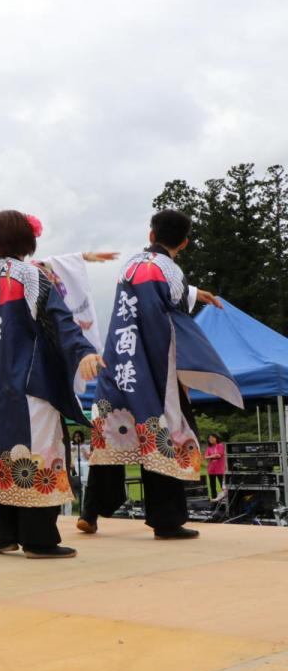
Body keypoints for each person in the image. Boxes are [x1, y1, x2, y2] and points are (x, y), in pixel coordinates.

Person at [80, 210, 241, 539]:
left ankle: (91, 511)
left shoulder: (129, 265)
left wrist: (195, 292)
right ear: (184, 243)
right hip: (152, 366)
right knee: (163, 433)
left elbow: (149, 290)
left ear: (151, 235)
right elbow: (170, 306)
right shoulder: (172, 271)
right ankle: (165, 520)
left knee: (110, 433)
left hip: (119, 362)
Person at [0, 211, 103, 559]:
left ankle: (3, 533)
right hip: (31, 380)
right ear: (27, 240)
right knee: (39, 451)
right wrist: (83, 351)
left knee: (6, 451)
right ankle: (38, 538)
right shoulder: (32, 275)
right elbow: (59, 318)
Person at [205, 433, 227, 501]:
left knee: (223, 486)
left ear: (216, 438)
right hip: (211, 469)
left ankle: (226, 499)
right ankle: (214, 500)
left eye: (212, 437)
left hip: (220, 469)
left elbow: (219, 455)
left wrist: (210, 456)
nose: (210, 439)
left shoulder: (220, 446)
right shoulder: (209, 448)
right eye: (209, 438)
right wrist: (213, 456)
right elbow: (205, 457)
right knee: (212, 486)